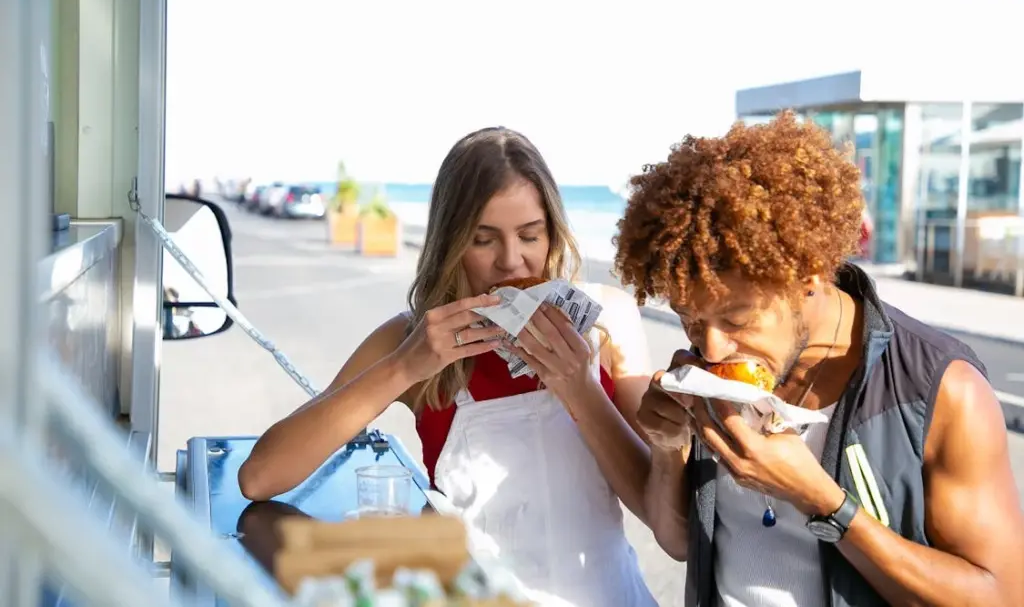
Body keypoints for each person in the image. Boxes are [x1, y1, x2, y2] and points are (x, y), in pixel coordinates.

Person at [613, 111, 1024, 607]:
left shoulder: (939, 389)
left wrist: (823, 502)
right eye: (690, 319)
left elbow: (999, 596)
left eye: (737, 319)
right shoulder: (704, 377)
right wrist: (666, 448)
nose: (712, 348)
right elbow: (679, 543)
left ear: (807, 276)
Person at [238, 127, 657, 607]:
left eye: (529, 235)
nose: (512, 261)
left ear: (553, 232)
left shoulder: (608, 321)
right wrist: (402, 368)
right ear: (451, 243)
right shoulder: (413, 337)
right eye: (483, 239)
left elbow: (661, 512)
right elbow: (260, 477)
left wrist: (583, 390)